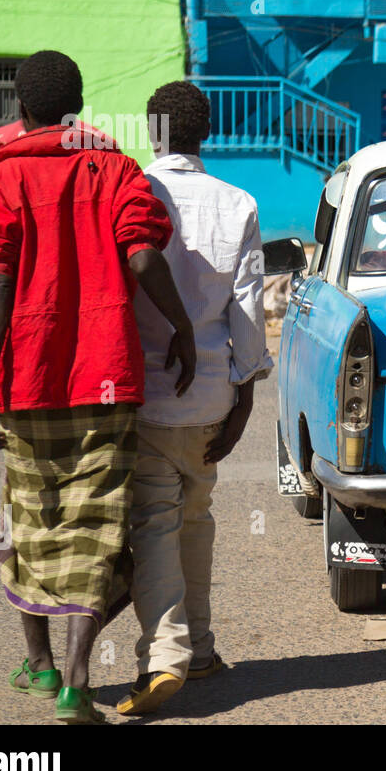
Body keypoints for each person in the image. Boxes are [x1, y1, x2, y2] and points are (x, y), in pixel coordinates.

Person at [0, 50, 196, 724]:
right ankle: (76, 682)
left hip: (27, 383)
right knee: (97, 524)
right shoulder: (113, 167)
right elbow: (143, 254)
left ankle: (41, 663)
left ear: (20, 110)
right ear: (77, 106)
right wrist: (182, 326)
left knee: (26, 523)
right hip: (108, 379)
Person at [117, 81, 274, 716]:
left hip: (144, 394)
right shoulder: (237, 203)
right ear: (203, 133)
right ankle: (201, 649)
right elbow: (247, 311)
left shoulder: (130, 194)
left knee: (153, 521)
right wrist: (243, 401)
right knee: (195, 519)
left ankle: (167, 656)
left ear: (152, 129)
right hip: (211, 395)